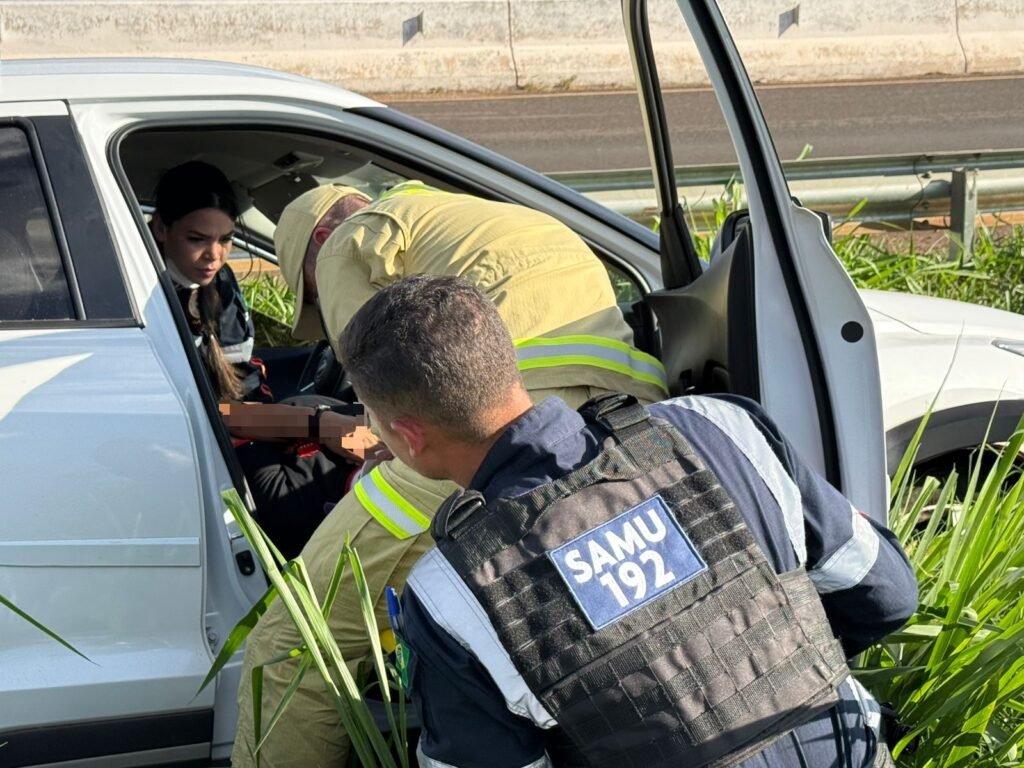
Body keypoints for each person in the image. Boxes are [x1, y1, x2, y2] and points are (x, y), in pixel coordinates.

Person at [337, 275, 918, 768]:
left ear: (407, 436)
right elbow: (888, 595)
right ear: (503, 361)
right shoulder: (716, 426)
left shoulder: (453, 593)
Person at [231, 182, 669, 767]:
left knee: (294, 644)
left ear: (320, 238)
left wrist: (354, 446)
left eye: (313, 294)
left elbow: (384, 390)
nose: (323, 303)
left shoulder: (341, 243)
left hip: (491, 422)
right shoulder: (481, 215)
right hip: (616, 424)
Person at [152, 161, 381, 558]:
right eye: (196, 239)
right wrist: (321, 425)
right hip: (187, 449)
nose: (214, 255)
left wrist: (307, 423)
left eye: (226, 239)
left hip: (233, 432)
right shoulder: (148, 295)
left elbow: (242, 395)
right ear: (160, 229)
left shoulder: (219, 285)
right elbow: (211, 415)